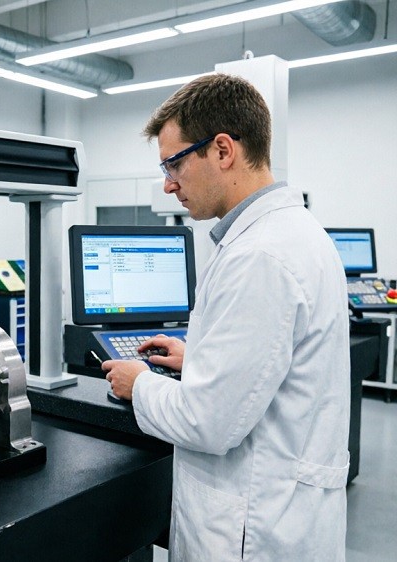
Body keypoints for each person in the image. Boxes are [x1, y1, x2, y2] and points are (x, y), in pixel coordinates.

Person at [102, 73, 350, 561]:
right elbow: (274, 365)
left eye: (173, 163)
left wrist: (140, 383)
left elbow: (208, 423)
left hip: (253, 528)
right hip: (284, 510)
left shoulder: (261, 255)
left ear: (222, 150)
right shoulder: (289, 234)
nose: (169, 184)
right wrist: (199, 361)